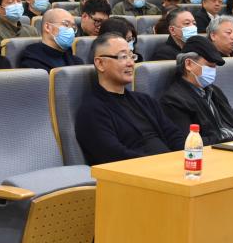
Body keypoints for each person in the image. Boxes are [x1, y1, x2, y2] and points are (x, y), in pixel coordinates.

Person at [75, 32, 183, 165]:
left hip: (171, 166)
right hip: (137, 172)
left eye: (132, 56)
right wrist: (160, 164)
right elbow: (113, 154)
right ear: (100, 63)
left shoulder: (145, 101)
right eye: (123, 57)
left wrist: (185, 158)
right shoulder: (92, 110)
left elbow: (174, 135)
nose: (131, 63)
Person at [162, 35, 233, 144]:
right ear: (189, 64)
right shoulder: (173, 100)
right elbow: (189, 142)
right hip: (215, 152)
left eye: (214, 67)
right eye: (209, 66)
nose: (213, 71)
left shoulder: (214, 91)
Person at [17, 8, 83, 72]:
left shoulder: (77, 62)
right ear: (48, 27)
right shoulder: (32, 63)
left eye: (73, 27)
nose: (71, 30)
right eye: (66, 24)